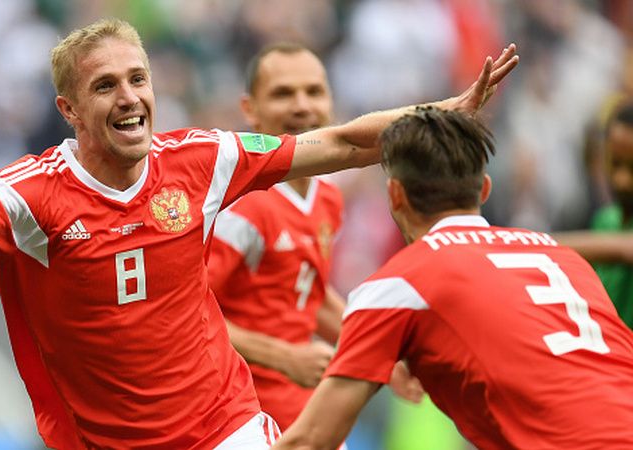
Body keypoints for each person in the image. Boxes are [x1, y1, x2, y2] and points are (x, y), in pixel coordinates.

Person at [0, 18, 518, 449]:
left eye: (138, 79)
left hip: (222, 424)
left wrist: (442, 112)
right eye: (106, 86)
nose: (130, 97)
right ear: (69, 110)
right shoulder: (31, 193)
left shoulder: (201, 161)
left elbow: (341, 143)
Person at [272, 106, 633, 450]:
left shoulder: (399, 284)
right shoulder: (563, 259)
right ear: (485, 189)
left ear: (395, 195)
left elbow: (309, 440)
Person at [208, 43, 422, 432]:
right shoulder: (241, 206)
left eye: (314, 92)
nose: (302, 106)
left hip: (306, 408)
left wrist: (383, 355)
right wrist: (282, 356)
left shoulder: (327, 198)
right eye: (283, 94)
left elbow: (311, 294)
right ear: (249, 109)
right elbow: (190, 312)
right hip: (243, 415)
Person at [554, 101, 633, 330]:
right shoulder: (605, 220)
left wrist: (532, 244)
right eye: (615, 164)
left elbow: (625, 248)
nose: (622, 180)